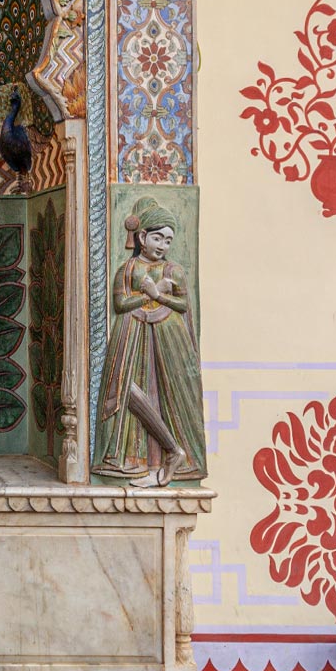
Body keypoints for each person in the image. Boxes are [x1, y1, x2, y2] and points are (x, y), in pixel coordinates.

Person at [93, 196, 206, 486]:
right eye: (158, 238)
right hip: (131, 334)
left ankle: (172, 454)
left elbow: (182, 306)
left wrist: (157, 295)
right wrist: (147, 294)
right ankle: (165, 451)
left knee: (164, 393)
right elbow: (120, 303)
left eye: (168, 241)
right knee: (124, 388)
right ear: (142, 236)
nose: (163, 246)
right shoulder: (128, 269)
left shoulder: (173, 270)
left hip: (168, 338)